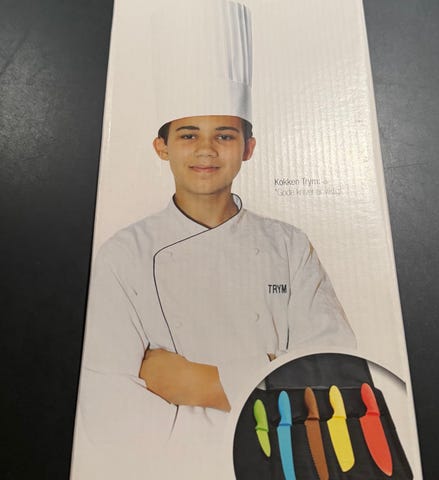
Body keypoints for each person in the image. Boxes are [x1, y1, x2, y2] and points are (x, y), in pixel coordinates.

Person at [71, 2, 355, 478]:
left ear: (248, 148)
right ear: (162, 147)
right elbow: (109, 410)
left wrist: (197, 383)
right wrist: (272, 376)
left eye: (224, 135)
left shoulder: (289, 246)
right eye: (188, 135)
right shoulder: (124, 255)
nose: (206, 150)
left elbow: (336, 375)